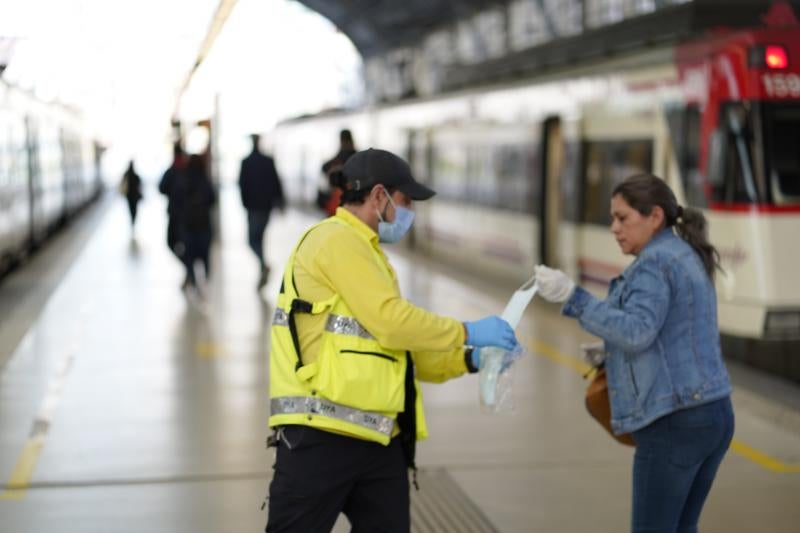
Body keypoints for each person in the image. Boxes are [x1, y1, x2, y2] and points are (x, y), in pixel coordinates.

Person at [266, 148, 519, 532]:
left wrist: (470, 358)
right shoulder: (334, 239)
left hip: (377, 437)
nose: (410, 214)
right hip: (319, 436)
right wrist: (467, 330)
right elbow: (390, 322)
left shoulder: (371, 257)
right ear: (379, 196)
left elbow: (398, 348)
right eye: (405, 201)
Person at [534, 173, 734, 533]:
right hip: (713, 413)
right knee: (682, 527)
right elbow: (674, 330)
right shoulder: (683, 253)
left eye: (622, 218)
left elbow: (638, 331)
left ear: (655, 216)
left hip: (674, 421)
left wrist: (573, 297)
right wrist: (610, 349)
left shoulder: (655, 264)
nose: (614, 228)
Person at [239, 134, 285, 290]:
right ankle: (262, 265)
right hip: (265, 206)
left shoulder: (246, 162)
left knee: (252, 239)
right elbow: (276, 181)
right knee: (258, 238)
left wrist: (245, 204)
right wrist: (279, 201)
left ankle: (263, 265)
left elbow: (242, 185)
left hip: (254, 207)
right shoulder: (268, 161)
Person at [181, 154, 216, 290]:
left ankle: (193, 280)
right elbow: (212, 199)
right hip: (203, 224)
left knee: (189, 253)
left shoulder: (184, 179)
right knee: (204, 253)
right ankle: (205, 279)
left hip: (188, 224)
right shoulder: (205, 180)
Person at [159, 143, 188, 263]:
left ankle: (187, 265)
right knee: (183, 242)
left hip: (175, 213)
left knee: (172, 242)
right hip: (186, 214)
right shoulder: (187, 168)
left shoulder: (172, 170)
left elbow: (161, 188)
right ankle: (188, 266)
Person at [319, 129, 356, 216]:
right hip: (358, 214)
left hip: (335, 211)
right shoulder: (363, 163)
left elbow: (321, 193)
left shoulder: (328, 166)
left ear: (340, 141)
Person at [120, 160, 142, 229]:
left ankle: (132, 221)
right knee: (134, 210)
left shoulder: (126, 174)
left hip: (129, 196)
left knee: (130, 209)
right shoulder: (136, 175)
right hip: (135, 196)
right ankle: (133, 221)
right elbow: (139, 184)